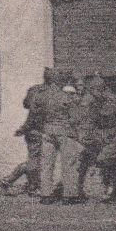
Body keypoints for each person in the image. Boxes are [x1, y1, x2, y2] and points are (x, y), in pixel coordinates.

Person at [78, 74, 116, 202]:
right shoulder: (94, 104)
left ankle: (115, 189)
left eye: (89, 91)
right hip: (103, 140)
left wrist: (110, 133)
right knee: (81, 156)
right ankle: (77, 190)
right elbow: (89, 123)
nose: (88, 94)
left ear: (98, 89)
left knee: (106, 157)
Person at [0, 67, 52, 195]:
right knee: (35, 160)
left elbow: (26, 104)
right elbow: (33, 112)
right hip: (37, 130)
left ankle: (31, 185)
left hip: (33, 130)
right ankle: (10, 180)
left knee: (37, 159)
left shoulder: (34, 89)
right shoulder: (48, 93)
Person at [36, 68, 82, 203]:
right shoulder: (66, 97)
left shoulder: (42, 96)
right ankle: (69, 195)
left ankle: (46, 195)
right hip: (65, 132)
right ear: (58, 81)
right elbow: (75, 116)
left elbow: (36, 112)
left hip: (47, 131)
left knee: (46, 164)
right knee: (68, 164)